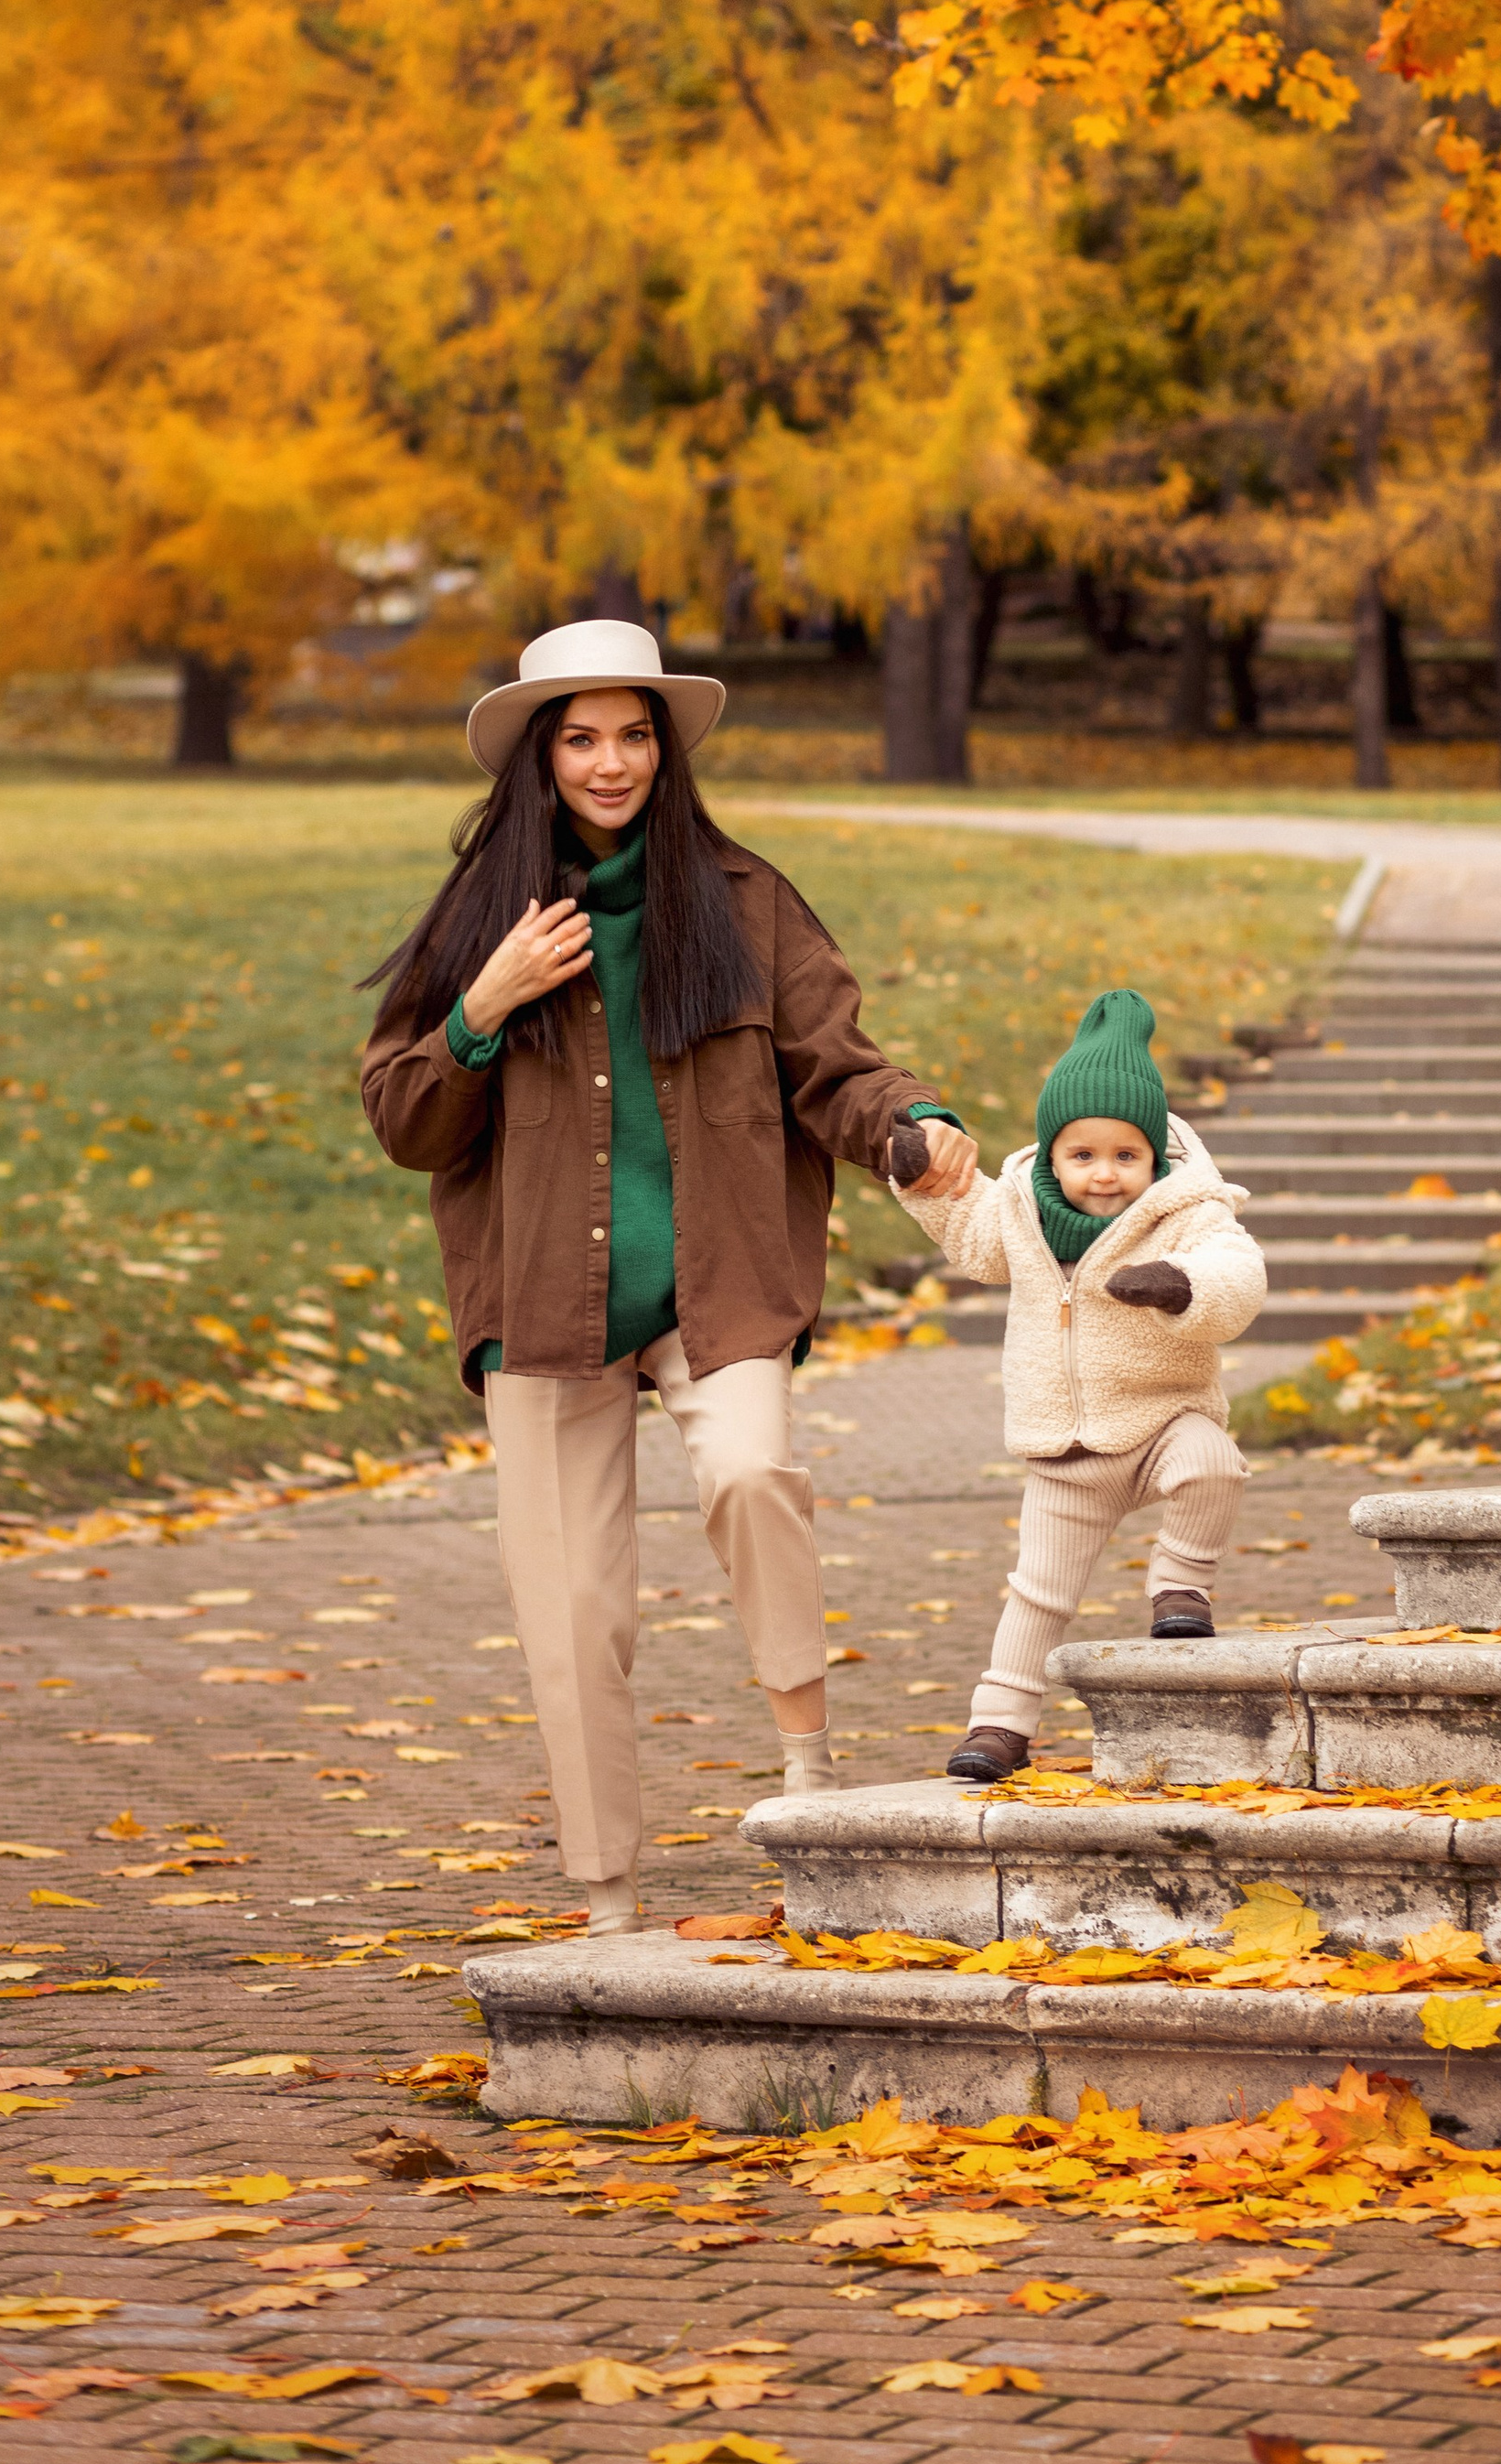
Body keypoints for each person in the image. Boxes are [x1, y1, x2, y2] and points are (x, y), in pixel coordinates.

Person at [360, 619, 976, 1929]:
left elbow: (837, 1062)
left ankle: (806, 1771)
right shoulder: (478, 918)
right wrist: (483, 1005)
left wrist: (909, 1128)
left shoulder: (745, 899)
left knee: (754, 1475)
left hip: (721, 1281)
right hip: (539, 1306)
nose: (609, 761)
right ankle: (608, 1894)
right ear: (540, 757)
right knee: (573, 1613)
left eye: (632, 734)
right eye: (581, 737)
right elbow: (404, 1119)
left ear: (664, 750)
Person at [888, 987, 1265, 1782]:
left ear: (1155, 1158)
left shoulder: (1187, 1211)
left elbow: (1238, 1276)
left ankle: (1181, 1587)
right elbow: (970, 1230)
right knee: (1039, 1595)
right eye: (1083, 1155)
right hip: (1064, 1443)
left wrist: (1181, 1285)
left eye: (1126, 1157)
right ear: (1053, 1153)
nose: (1103, 1175)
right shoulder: (1018, 1210)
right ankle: (1000, 1724)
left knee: (1215, 1466)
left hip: (1165, 1415)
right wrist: (924, 1182)